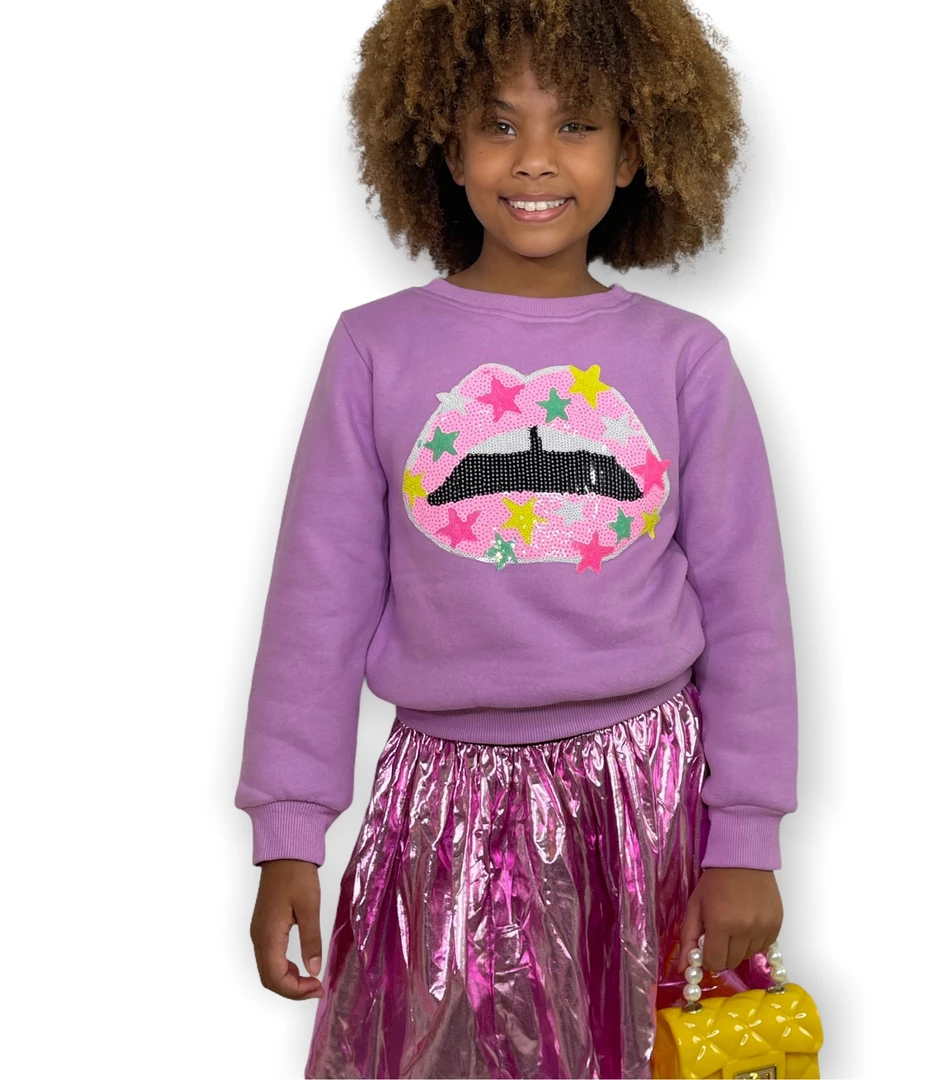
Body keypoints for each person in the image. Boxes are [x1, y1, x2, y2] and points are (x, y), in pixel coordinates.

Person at [235, 2, 799, 1077]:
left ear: (633, 150)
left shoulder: (685, 359)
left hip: (644, 804)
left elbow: (748, 616)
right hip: (437, 808)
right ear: (446, 148)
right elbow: (317, 604)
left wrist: (746, 838)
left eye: (575, 124)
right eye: (498, 125)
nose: (534, 157)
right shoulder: (374, 350)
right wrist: (289, 830)